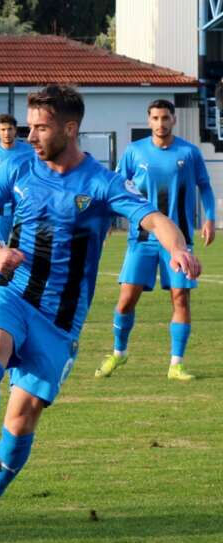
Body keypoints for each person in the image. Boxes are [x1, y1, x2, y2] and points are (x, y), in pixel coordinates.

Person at [0, 85, 200, 543]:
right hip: (11, 296)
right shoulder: (17, 166)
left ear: (69, 128)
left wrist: (177, 246)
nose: (30, 134)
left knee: (22, 418)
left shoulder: (100, 183)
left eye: (40, 127)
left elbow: (154, 219)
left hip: (59, 324)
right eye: (29, 125)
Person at [95, 99, 216, 381]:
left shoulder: (189, 152)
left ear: (173, 120)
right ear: (148, 121)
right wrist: (106, 221)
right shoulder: (134, 152)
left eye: (165, 118)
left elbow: (205, 187)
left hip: (179, 242)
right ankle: (118, 353)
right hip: (142, 239)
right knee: (126, 301)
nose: (160, 123)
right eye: (155, 118)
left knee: (181, 299)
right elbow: (114, 189)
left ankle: (176, 363)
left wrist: (210, 218)